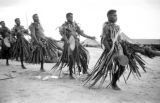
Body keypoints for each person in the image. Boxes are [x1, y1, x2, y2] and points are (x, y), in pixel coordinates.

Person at [84, 10, 159, 90]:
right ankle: (105, 81)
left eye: (116, 15)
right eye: (113, 15)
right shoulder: (106, 27)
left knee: (123, 66)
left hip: (120, 47)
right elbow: (104, 40)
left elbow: (119, 38)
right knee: (110, 67)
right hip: (111, 50)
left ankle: (113, 82)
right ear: (108, 16)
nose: (116, 17)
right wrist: (111, 52)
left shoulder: (117, 27)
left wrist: (125, 45)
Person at [52, 13, 95, 79]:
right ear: (67, 17)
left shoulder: (75, 25)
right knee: (71, 58)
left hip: (76, 43)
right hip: (69, 43)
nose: (71, 18)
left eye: (72, 17)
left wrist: (90, 37)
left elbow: (81, 33)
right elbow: (63, 35)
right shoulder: (64, 25)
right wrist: (67, 41)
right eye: (70, 17)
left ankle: (85, 70)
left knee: (84, 55)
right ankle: (71, 74)